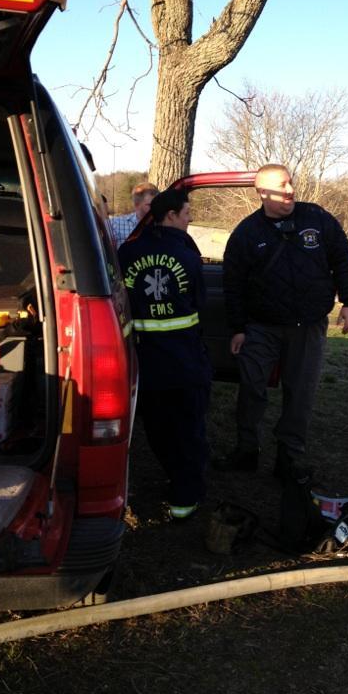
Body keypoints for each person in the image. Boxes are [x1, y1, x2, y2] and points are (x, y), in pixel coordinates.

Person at [216, 163, 348, 477]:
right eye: (282, 186)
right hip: (260, 327)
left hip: (308, 326)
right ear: (263, 193)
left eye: (291, 183)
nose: (290, 190)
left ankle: (289, 459)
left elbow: (343, 259)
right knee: (252, 389)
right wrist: (238, 328)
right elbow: (233, 284)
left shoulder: (317, 219)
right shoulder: (246, 233)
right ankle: (246, 450)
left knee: (301, 393)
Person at [118, 188, 211, 519]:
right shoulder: (186, 255)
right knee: (188, 428)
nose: (190, 218)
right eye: (187, 213)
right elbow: (199, 302)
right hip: (183, 360)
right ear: (170, 215)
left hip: (145, 361)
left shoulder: (128, 253)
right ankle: (186, 496)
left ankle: (171, 476)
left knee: (157, 427)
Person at [110, 181, 159, 246]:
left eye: (157, 204)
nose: (156, 208)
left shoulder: (163, 225)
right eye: (150, 205)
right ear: (136, 205)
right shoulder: (115, 224)